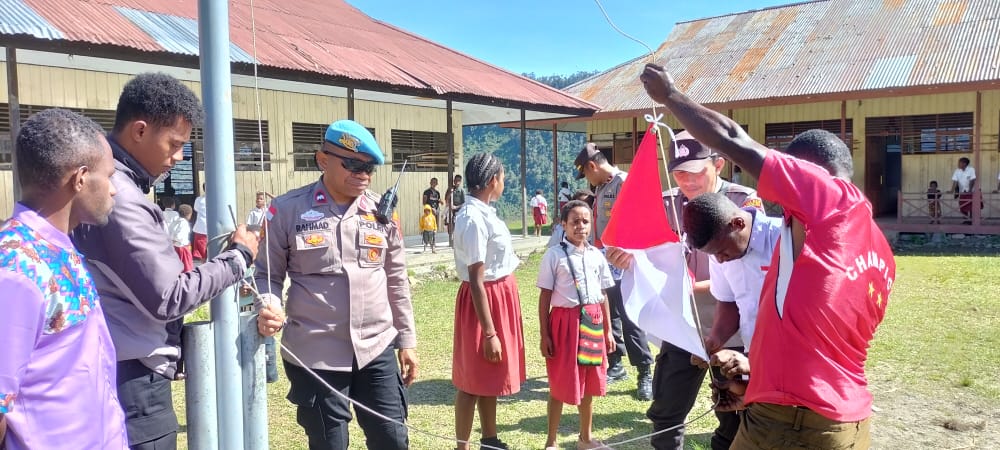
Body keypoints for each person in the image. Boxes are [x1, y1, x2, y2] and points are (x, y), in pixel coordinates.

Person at [640, 63, 895, 449]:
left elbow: (732, 138)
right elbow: (814, 342)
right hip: (845, 421)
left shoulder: (828, 199)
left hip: (794, 421)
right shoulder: (876, 250)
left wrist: (671, 96)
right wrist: (756, 379)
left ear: (811, 173)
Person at [72, 73, 259, 450]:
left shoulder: (113, 186)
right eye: (174, 144)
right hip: (135, 382)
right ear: (140, 131)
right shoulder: (121, 197)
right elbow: (169, 295)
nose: (178, 158)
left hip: (115, 371)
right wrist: (238, 257)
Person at [254, 120, 417, 450]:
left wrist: (407, 339)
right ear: (322, 159)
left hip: (376, 348)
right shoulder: (286, 210)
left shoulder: (381, 214)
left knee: (393, 440)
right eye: (353, 165)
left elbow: (396, 280)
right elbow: (264, 274)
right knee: (329, 444)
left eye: (369, 168)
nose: (363, 175)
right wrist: (269, 303)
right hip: (316, 353)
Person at [0, 109, 126, 449]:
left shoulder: (59, 249)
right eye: (109, 177)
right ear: (80, 178)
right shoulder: (16, 268)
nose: (114, 190)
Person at [638, 130, 762, 450]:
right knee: (667, 410)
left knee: (734, 412)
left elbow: (752, 271)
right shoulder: (665, 205)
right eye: (679, 173)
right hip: (682, 321)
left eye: (696, 172)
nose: (687, 182)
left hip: (732, 323)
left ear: (718, 164)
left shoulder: (743, 202)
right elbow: (647, 258)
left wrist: (700, 285)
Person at [681, 192, 783, 411]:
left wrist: (758, 365)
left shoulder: (784, 238)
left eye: (722, 252)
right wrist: (715, 339)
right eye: (713, 255)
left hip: (794, 362)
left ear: (737, 224)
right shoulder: (718, 248)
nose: (719, 260)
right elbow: (728, 302)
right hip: (754, 358)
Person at [451, 153, 526, 450]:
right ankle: (462, 446)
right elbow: (476, 278)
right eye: (503, 178)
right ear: (494, 180)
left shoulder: (485, 211)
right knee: (472, 380)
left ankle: (490, 439)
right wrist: (490, 333)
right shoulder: (472, 218)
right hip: (484, 301)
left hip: (497, 297)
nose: (504, 182)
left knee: (488, 375)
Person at [574, 143, 654, 399]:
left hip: (622, 260)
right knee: (612, 314)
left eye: (586, 174)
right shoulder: (603, 187)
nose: (587, 179)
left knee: (629, 315)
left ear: (592, 166)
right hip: (602, 260)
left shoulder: (623, 183)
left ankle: (645, 372)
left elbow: (637, 218)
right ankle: (616, 363)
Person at [537, 200, 615, 450]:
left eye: (585, 221)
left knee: (590, 381)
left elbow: (603, 294)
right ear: (563, 224)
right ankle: (551, 440)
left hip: (592, 322)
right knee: (560, 382)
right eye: (574, 222)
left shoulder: (596, 256)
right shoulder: (554, 255)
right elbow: (545, 296)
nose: (580, 226)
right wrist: (545, 335)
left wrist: (609, 331)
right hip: (564, 323)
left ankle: (585, 437)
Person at [168, 204, 194, 272]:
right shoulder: (184, 223)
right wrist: (177, 240)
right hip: (183, 248)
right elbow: (180, 236)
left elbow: (170, 232)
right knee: (187, 268)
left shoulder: (175, 222)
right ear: (189, 215)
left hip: (175, 247)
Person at [951, 157, 976, 224]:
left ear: (964, 163)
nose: (958, 164)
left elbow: (972, 180)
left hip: (972, 191)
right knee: (962, 206)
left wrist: (970, 190)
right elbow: (955, 181)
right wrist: (951, 190)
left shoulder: (971, 169)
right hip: (962, 191)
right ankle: (966, 220)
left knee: (971, 207)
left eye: (960, 163)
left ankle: (971, 220)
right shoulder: (957, 171)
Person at [445, 174, 466, 246]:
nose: (457, 182)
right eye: (456, 180)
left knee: (458, 224)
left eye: (458, 180)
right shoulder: (450, 189)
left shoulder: (462, 191)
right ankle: (451, 238)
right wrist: (450, 193)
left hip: (458, 209)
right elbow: (446, 199)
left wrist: (456, 207)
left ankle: (458, 240)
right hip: (450, 209)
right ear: (454, 181)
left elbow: (464, 203)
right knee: (449, 222)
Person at [192, 184, 208, 260]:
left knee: (202, 253)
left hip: (201, 227)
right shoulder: (217, 199)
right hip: (212, 228)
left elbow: (196, 209)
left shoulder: (199, 199)